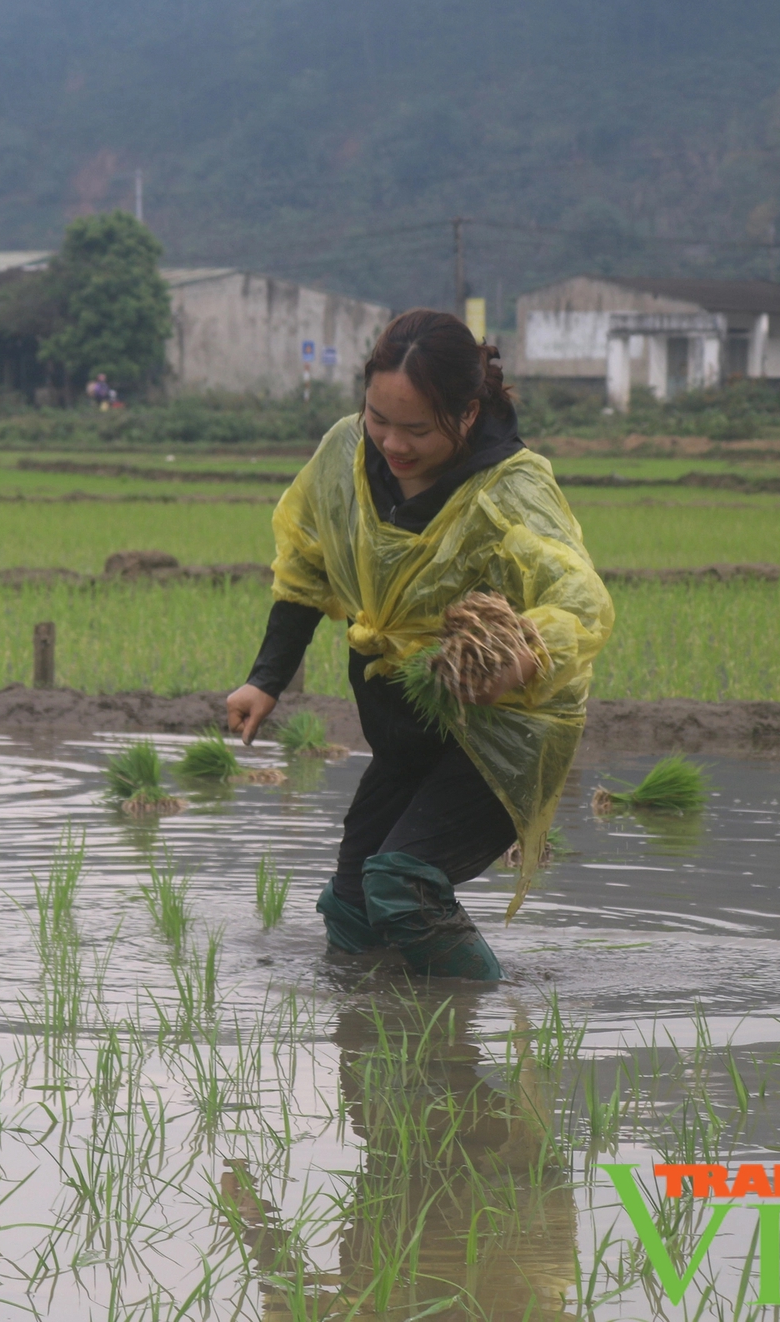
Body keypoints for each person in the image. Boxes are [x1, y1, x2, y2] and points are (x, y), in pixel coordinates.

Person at [225, 309, 612, 980]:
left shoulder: (511, 489)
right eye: (379, 418)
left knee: (403, 886)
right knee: (351, 909)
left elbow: (579, 602)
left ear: (466, 414)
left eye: (416, 429)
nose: (391, 444)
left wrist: (515, 658)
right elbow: (305, 567)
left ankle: (479, 1021)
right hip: (403, 730)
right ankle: (371, 1054)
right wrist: (266, 679)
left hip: (493, 733)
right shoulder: (346, 453)